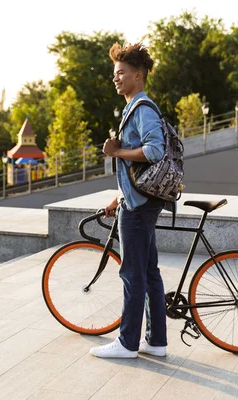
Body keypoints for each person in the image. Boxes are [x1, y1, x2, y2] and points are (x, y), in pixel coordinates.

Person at [89, 42, 167, 358]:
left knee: (132, 273)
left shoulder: (142, 108)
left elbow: (154, 150)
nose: (116, 78)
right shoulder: (136, 107)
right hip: (137, 201)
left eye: (121, 73)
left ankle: (127, 343)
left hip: (139, 208)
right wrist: (118, 198)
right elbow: (136, 169)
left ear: (138, 75)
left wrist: (116, 151)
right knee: (149, 272)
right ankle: (157, 342)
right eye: (115, 74)